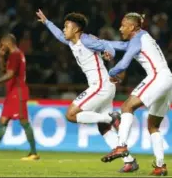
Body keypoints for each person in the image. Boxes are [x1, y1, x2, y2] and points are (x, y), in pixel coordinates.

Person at [36, 9, 138, 172]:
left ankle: (111, 117)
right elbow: (58, 35)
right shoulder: (71, 41)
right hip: (103, 86)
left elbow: (107, 44)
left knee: (70, 115)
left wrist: (109, 54)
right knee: (103, 128)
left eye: (67, 26)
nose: (64, 29)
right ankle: (129, 161)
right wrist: (47, 22)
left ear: (76, 29)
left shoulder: (86, 40)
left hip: (100, 85)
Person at [101, 13, 172, 176]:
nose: (120, 28)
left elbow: (125, 62)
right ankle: (160, 166)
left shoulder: (137, 39)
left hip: (158, 76)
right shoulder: (142, 37)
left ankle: (121, 145)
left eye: (123, 25)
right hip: (170, 81)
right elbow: (119, 45)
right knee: (153, 126)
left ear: (133, 27)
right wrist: (101, 44)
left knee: (127, 106)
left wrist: (112, 72)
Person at [0, 34, 39, 160]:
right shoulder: (16, 54)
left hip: (18, 92)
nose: (1, 47)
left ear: (7, 42)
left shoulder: (15, 55)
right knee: (3, 121)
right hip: (12, 93)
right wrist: (1, 56)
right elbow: (5, 70)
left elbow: (9, 75)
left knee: (24, 122)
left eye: (2, 44)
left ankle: (33, 153)